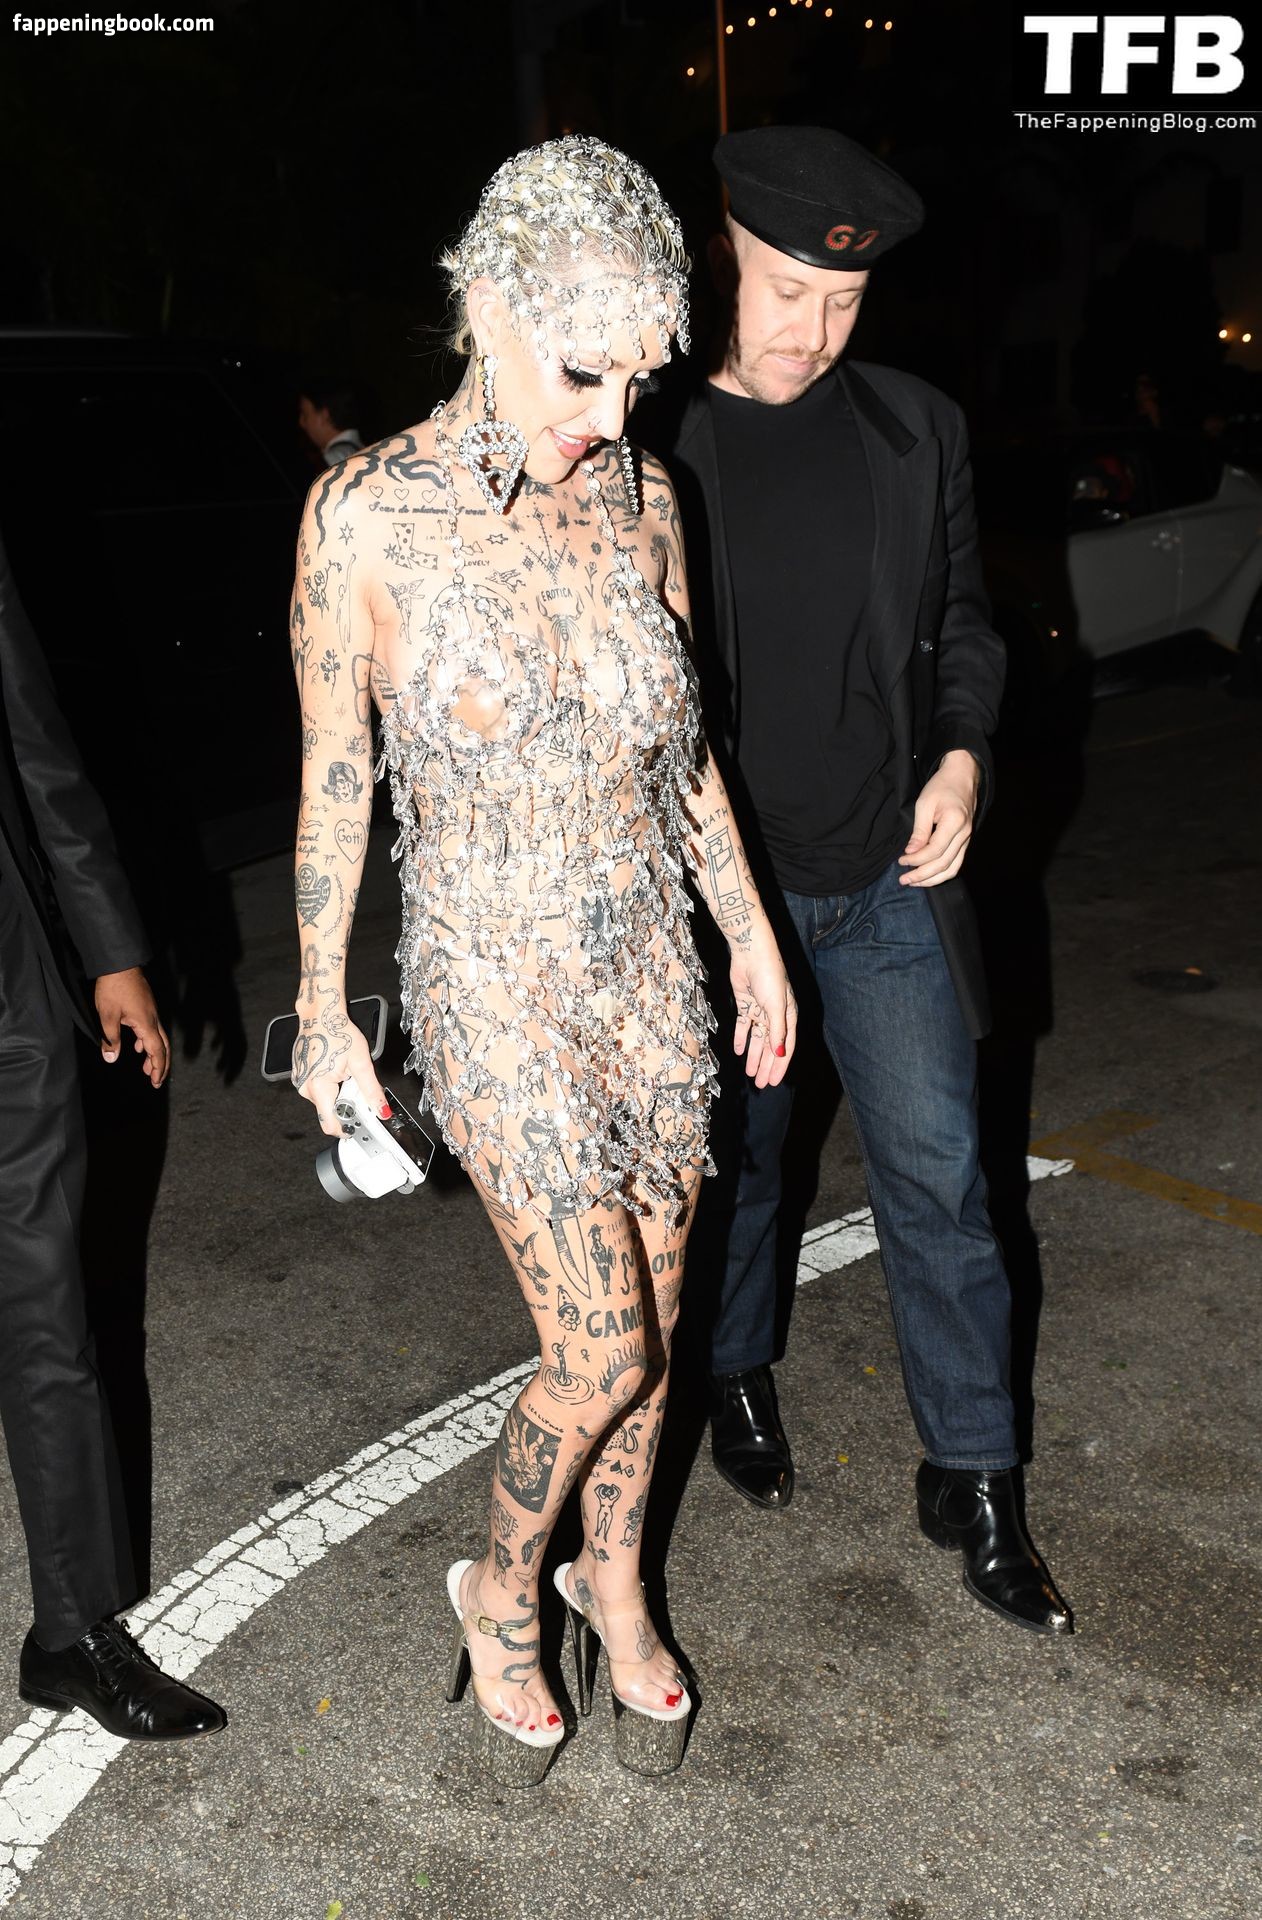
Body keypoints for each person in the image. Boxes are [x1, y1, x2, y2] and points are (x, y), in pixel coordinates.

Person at [289, 136, 796, 1781]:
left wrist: (750, 938)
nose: (612, 412)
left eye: (638, 377)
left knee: (662, 1320)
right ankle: (500, 1585)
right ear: (486, 309)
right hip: (492, 982)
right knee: (598, 1348)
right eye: (584, 371)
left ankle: (613, 1578)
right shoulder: (364, 517)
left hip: (648, 973)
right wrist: (319, 1006)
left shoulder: (644, 496)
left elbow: (683, 749)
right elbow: (337, 774)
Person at [639, 126, 1071, 1635]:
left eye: (843, 302)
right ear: (723, 260)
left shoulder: (913, 429)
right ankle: (734, 1373)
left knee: (942, 1180)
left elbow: (964, 623)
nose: (813, 331)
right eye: (785, 293)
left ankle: (976, 1476)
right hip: (724, 901)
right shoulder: (644, 439)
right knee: (743, 1165)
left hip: (887, 878)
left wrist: (960, 757)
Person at [0, 529, 228, 1738]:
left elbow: (37, 749)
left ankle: (73, 1632)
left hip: (9, 1009)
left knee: (49, 1320)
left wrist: (111, 952)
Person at [297, 376, 364, 468]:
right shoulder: (361, 448)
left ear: (324, 415)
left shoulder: (333, 458)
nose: (301, 423)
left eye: (305, 415)